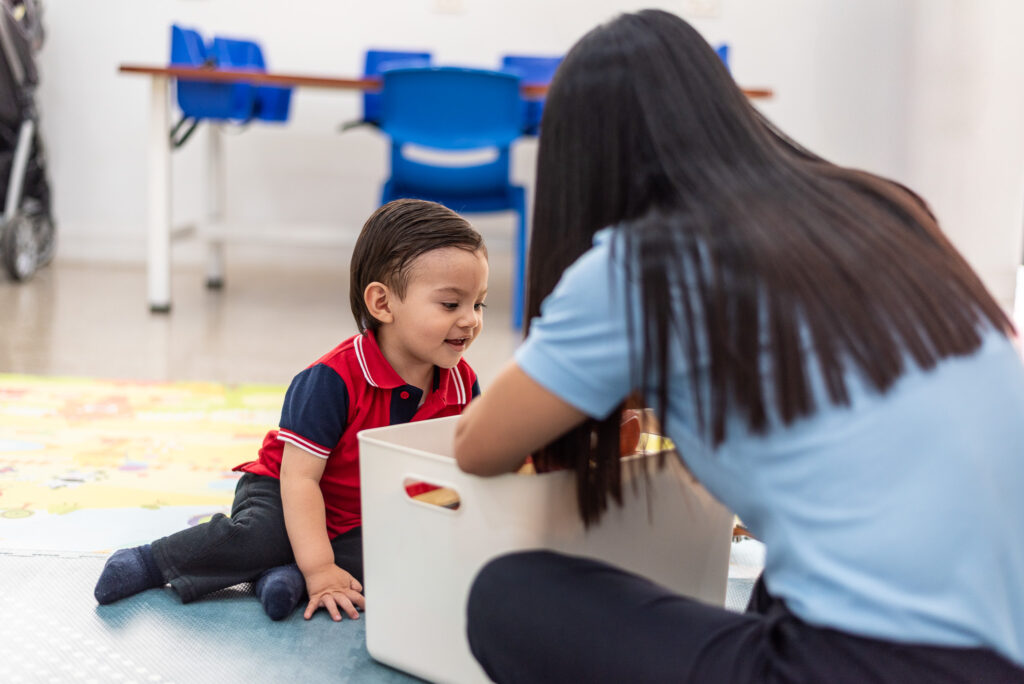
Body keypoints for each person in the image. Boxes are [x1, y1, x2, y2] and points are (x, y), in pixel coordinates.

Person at [453, 9, 1024, 683]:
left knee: (507, 597)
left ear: (583, 165)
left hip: (878, 663)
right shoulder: (881, 208)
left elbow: (477, 446)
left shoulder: (640, 265)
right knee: (781, 583)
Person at [94, 198, 488, 622]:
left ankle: (289, 576)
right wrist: (320, 567)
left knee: (406, 548)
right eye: (451, 305)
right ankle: (154, 561)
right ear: (382, 304)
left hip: (362, 510)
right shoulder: (331, 380)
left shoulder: (463, 384)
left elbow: (462, 468)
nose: (470, 320)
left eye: (479, 304)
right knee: (262, 537)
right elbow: (300, 479)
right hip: (285, 490)